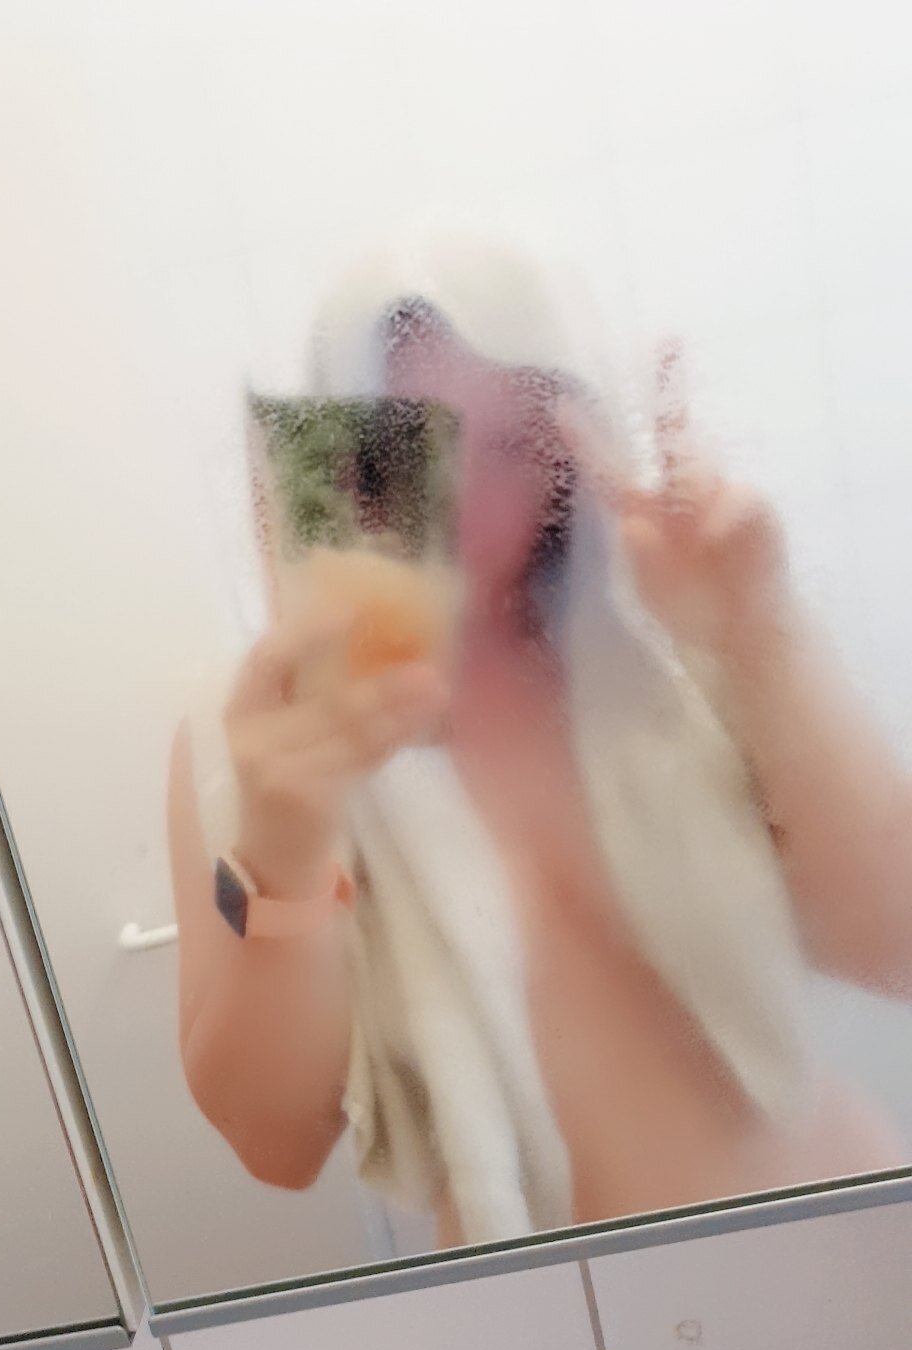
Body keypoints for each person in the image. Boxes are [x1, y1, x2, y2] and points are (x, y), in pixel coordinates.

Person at [168, 236, 912, 1247]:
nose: (467, 503)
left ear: (573, 438)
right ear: (338, 449)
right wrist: (285, 845)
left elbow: (893, 947)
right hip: (557, 1326)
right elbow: (274, 1142)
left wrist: (760, 627)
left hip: (844, 1241)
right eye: (410, 443)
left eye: (514, 443)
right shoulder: (261, 745)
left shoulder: (676, 623)